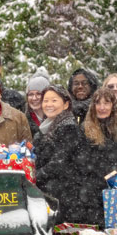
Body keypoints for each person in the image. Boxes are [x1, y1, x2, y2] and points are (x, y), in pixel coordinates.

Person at [76, 86, 117, 226]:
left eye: (106, 103)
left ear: (113, 105)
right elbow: (82, 161)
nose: (102, 107)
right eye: (98, 103)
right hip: (92, 189)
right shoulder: (85, 129)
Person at [32, 85, 82, 223]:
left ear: (66, 104)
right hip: (48, 191)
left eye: (54, 100)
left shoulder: (68, 128)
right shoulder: (45, 127)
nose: (49, 104)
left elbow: (60, 162)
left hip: (63, 193)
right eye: (46, 101)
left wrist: (35, 176)